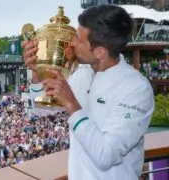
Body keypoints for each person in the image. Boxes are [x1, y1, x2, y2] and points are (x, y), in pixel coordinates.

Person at [22, 4, 154, 180]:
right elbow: (42, 110)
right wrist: (38, 74)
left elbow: (106, 155)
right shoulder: (82, 73)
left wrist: (72, 103)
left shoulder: (136, 89)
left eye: (78, 39)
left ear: (99, 51)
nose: (72, 42)